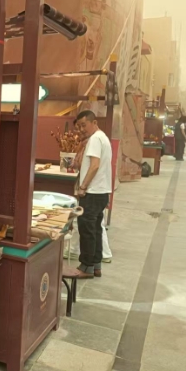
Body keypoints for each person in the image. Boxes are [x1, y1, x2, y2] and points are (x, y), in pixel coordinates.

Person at [74, 110, 112, 279]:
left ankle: (86, 266)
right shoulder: (103, 137)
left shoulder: (95, 139)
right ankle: (96, 265)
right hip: (102, 192)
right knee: (96, 229)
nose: (82, 129)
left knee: (87, 230)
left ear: (94, 122)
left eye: (84, 125)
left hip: (92, 192)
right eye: (79, 126)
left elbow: (94, 165)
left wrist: (83, 186)